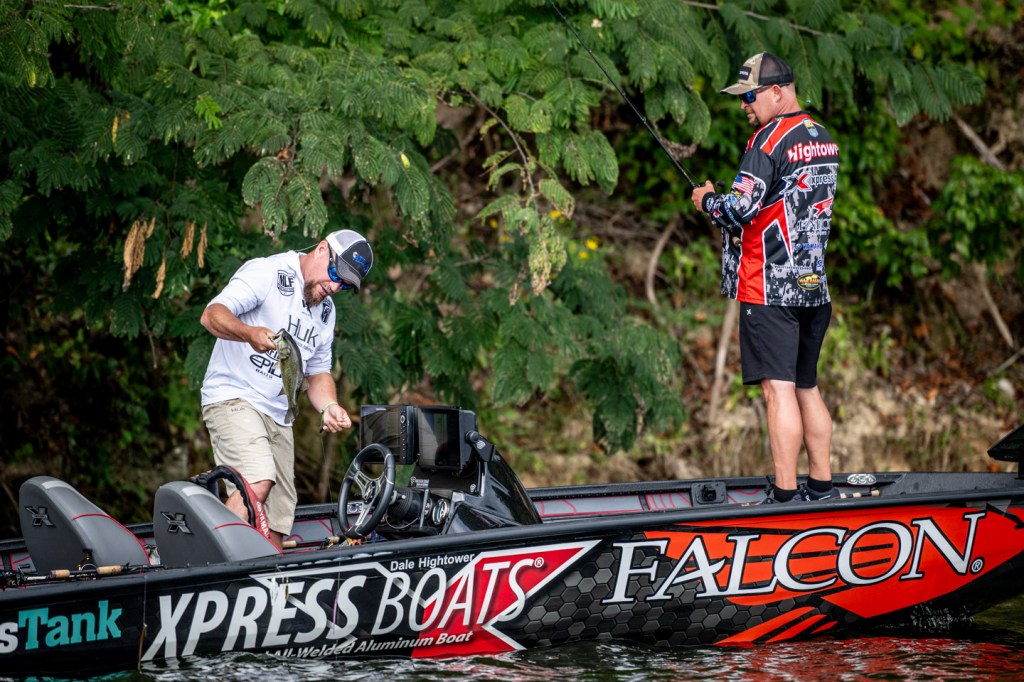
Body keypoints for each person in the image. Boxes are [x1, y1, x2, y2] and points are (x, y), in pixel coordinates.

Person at [690, 53, 840, 504]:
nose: (744, 106)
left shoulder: (766, 142)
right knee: (806, 386)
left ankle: (785, 496)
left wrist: (707, 200)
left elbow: (739, 209)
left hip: (769, 287)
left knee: (779, 392)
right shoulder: (822, 137)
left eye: (750, 96)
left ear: (777, 91)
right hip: (814, 288)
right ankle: (822, 487)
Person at [199, 229, 374, 545]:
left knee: (279, 517)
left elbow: (318, 373)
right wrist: (249, 333)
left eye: (345, 285)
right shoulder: (268, 272)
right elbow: (212, 315)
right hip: (234, 396)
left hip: (279, 414)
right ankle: (206, 556)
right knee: (257, 481)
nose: (335, 286)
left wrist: (329, 406)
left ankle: (267, 573)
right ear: (322, 249)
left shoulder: (326, 313)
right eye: (336, 274)